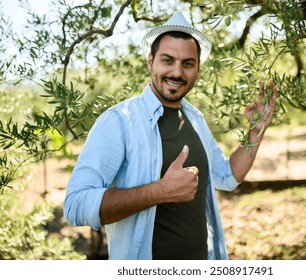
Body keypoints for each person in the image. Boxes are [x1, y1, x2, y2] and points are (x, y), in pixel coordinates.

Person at [63, 11, 277, 260]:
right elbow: (76, 205)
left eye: (187, 63)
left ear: (197, 68)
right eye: (167, 60)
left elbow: (227, 176)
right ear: (150, 61)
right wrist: (161, 191)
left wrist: (257, 128)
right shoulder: (120, 121)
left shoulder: (195, 119)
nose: (177, 72)